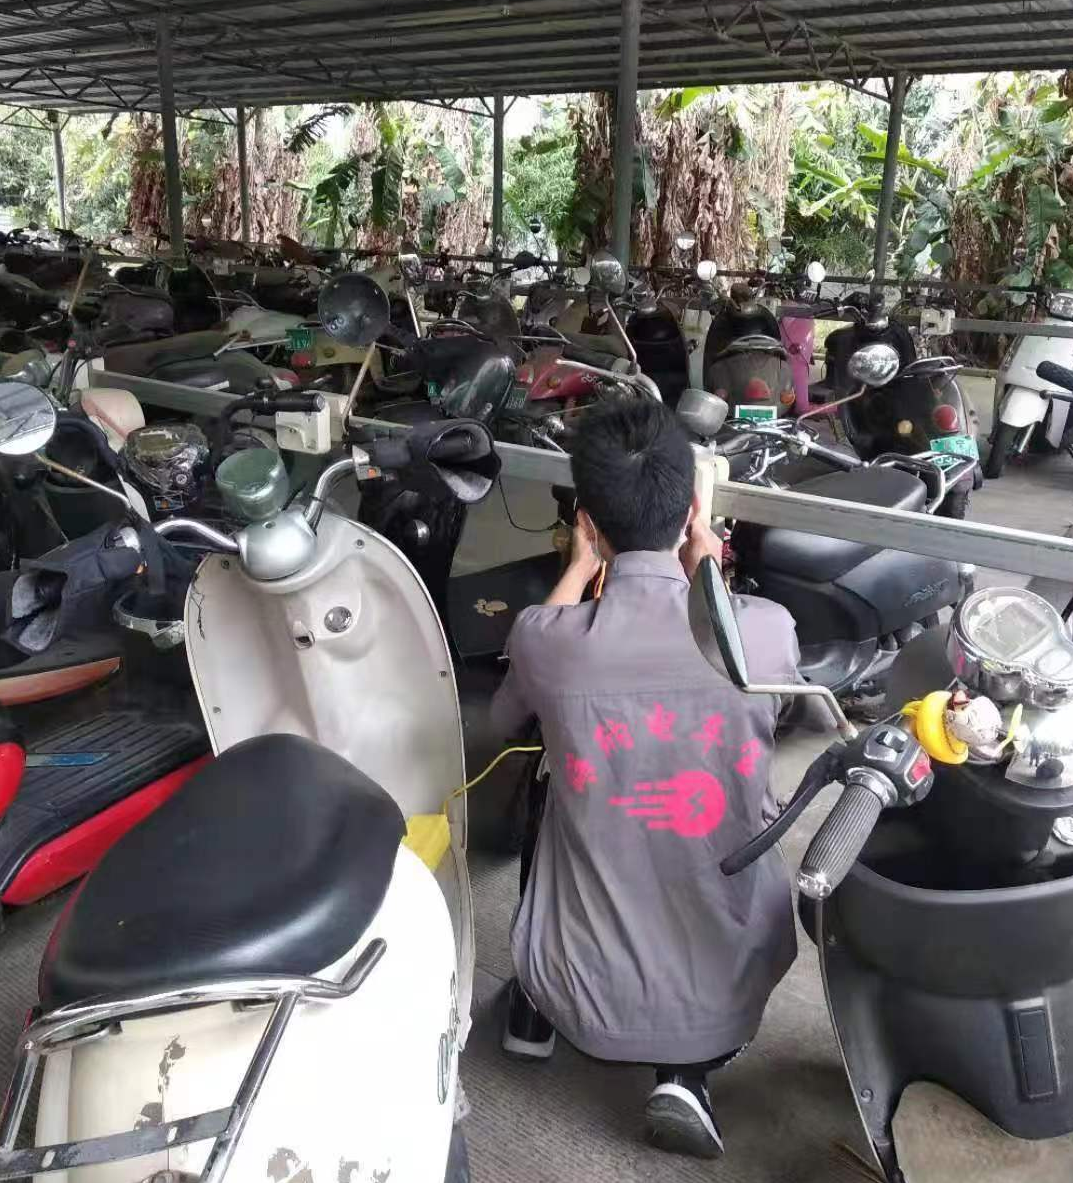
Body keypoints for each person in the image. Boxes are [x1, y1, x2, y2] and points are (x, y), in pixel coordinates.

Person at [491, 399, 800, 1159]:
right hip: (734, 985)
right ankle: (685, 1074)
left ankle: (533, 1007)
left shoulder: (547, 639)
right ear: (693, 511)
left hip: (576, 986)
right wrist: (707, 577)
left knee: (550, 773)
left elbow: (504, 717)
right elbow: (778, 713)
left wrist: (577, 570)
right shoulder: (766, 630)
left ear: (588, 522)